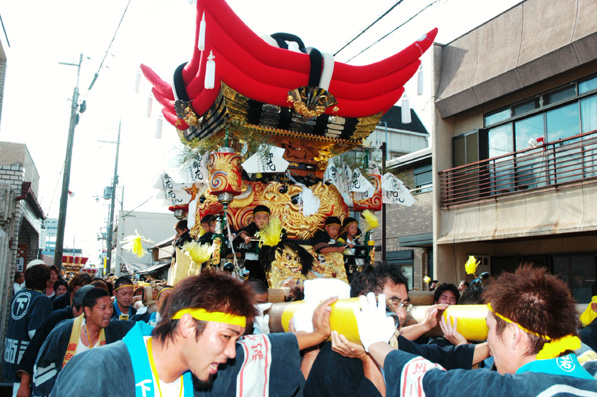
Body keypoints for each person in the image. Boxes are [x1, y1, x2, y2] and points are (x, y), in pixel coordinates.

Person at [50, 271, 337, 396]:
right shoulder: (100, 369)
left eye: (236, 339)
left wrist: (318, 334)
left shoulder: (203, 375)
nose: (232, 352)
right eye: (226, 337)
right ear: (187, 325)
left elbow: (263, 346)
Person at [353, 265, 597, 396]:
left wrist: (374, 343)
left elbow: (429, 380)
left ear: (515, 336)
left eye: (489, 329)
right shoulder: (588, 361)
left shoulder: (510, 390)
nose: (489, 339)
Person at [304, 264, 487, 397]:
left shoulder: (393, 341)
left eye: (405, 304)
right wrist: (367, 358)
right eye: (394, 303)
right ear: (364, 302)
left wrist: (493, 344)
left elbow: (441, 356)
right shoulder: (337, 359)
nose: (401, 314)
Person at [33, 288, 134, 396]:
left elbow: (141, 329)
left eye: (110, 306)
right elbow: (43, 365)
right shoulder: (64, 331)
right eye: (103, 308)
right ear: (88, 311)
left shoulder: (115, 329)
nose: (109, 312)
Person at [15, 285, 95, 397]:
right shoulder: (57, 319)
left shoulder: (101, 325)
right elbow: (34, 349)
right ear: (81, 309)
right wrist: (24, 384)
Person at [3, 260, 52, 397]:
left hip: (12, 355)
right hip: (26, 363)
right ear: (46, 281)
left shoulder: (19, 294)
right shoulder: (41, 299)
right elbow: (35, 334)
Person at [235, 205, 272, 282]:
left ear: (269, 219)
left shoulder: (272, 228)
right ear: (253, 219)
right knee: (252, 277)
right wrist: (246, 238)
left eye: (264, 218)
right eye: (258, 218)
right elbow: (241, 232)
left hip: (267, 259)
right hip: (252, 259)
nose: (261, 221)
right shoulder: (252, 227)